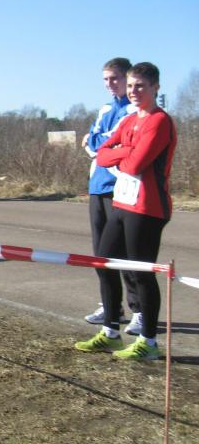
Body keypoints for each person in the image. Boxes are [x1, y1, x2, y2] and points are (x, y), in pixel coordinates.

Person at [75, 62, 177, 361]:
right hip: (121, 202)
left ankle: (148, 341)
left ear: (155, 87)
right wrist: (126, 150)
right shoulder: (129, 120)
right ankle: (110, 332)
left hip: (147, 207)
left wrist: (122, 153)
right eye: (131, 85)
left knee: (140, 273)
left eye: (140, 86)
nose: (133, 91)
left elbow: (135, 165)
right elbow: (102, 154)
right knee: (103, 262)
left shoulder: (159, 121)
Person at [80, 58, 140, 332]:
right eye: (106, 79)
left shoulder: (134, 110)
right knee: (101, 253)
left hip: (120, 188)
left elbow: (109, 143)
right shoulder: (105, 108)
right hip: (97, 186)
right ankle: (111, 305)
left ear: (127, 78)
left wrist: (98, 141)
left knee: (126, 252)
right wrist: (99, 141)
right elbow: (96, 142)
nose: (110, 84)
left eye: (114, 78)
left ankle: (138, 309)